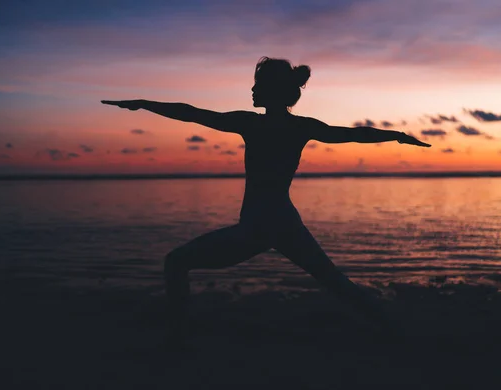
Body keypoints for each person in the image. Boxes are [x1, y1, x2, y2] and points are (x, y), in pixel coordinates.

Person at [102, 56, 431, 344]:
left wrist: (144, 103)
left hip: (261, 225)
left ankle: (177, 335)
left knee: (176, 262)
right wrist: (397, 136)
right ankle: (394, 329)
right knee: (334, 281)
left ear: (273, 89)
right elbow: (352, 133)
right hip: (283, 221)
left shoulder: (252, 123)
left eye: (258, 84)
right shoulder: (296, 126)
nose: (252, 90)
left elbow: (193, 114)